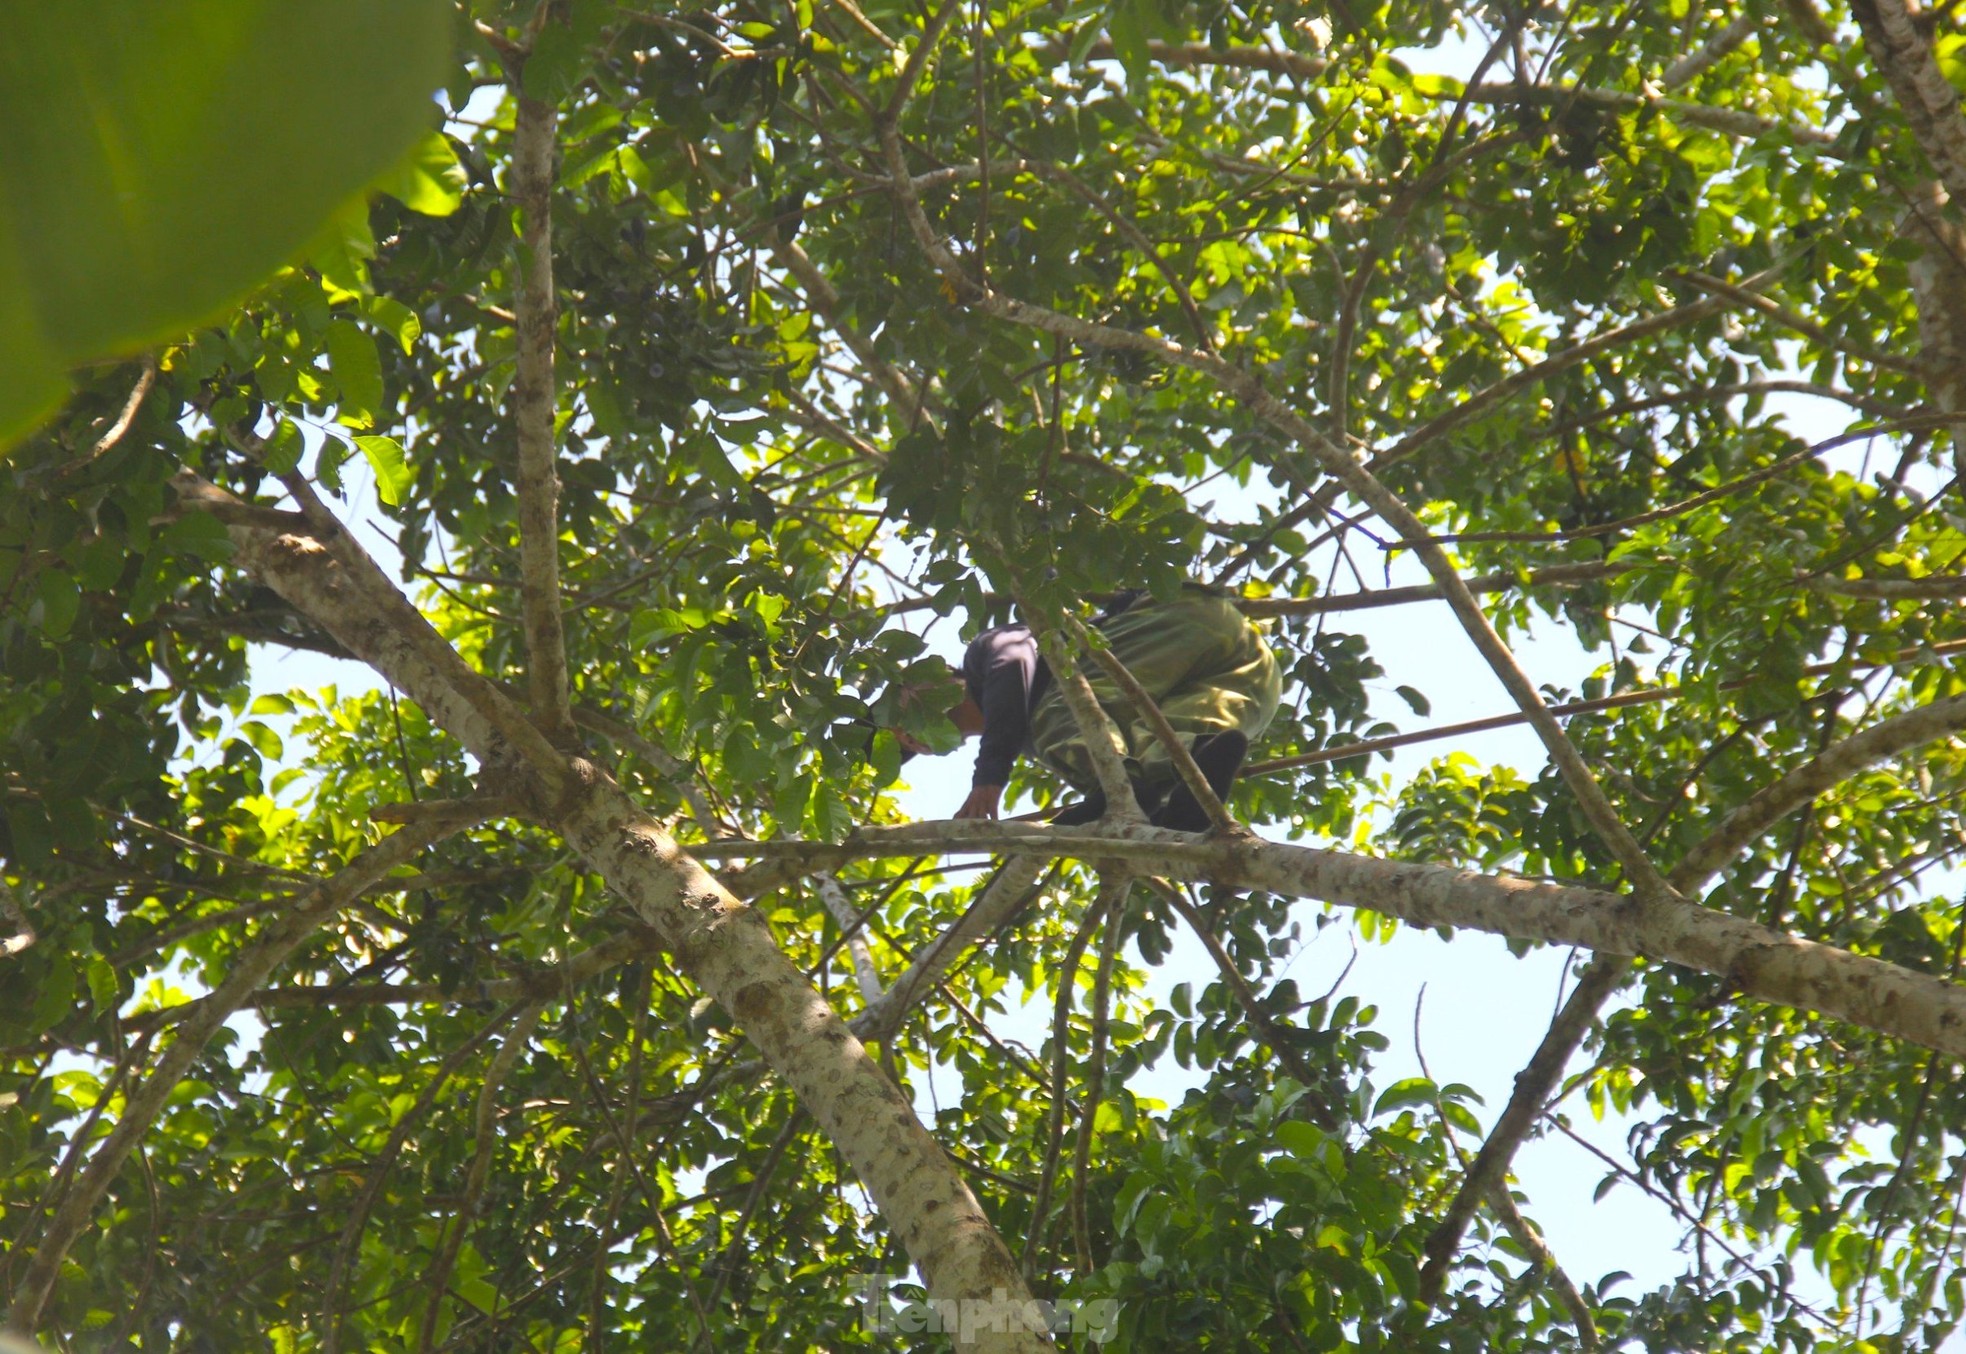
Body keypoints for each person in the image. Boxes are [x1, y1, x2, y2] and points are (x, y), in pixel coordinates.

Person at [901, 587, 1282, 830]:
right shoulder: (1025, 736)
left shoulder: (985, 656)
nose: (905, 735)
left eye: (901, 712)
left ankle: (1129, 790)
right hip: (1256, 677)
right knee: (1165, 745)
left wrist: (990, 775)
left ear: (934, 676)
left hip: (1177, 616)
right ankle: (1188, 782)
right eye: (904, 744)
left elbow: (1014, 667)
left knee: (1067, 714)